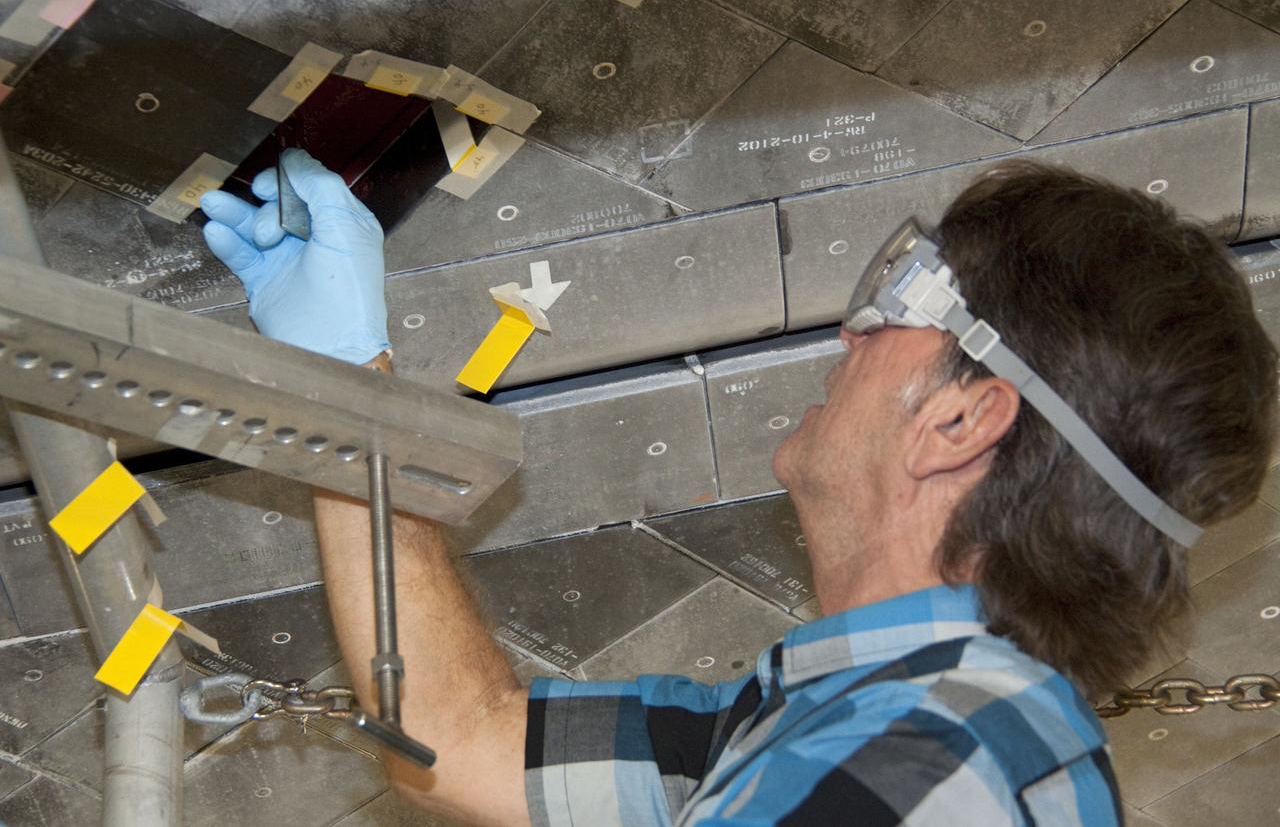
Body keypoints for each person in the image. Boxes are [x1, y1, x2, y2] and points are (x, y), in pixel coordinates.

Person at [200, 149, 1277, 826]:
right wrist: (345, 387)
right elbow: (459, 739)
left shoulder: (927, 771)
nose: (849, 333)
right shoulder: (858, 723)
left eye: (903, 293)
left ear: (958, 420)